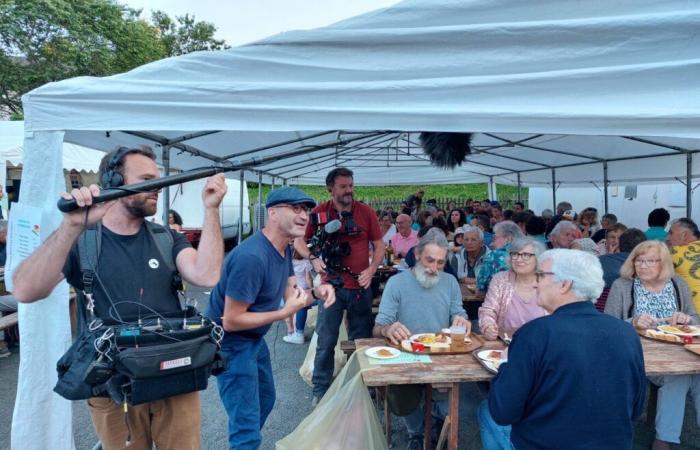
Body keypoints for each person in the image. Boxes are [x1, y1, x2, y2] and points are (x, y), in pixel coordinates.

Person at [12, 145, 228, 450]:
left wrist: (212, 209)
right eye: (147, 179)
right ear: (114, 183)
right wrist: (71, 226)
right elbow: (25, 290)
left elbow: (207, 275)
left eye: (159, 178)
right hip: (112, 387)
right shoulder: (81, 240)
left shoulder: (166, 237)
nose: (158, 187)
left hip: (174, 376)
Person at [479, 249, 646, 450]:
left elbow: (503, 411)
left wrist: (506, 363)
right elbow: (636, 408)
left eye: (540, 275)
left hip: (544, 444)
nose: (534, 282)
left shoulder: (534, 333)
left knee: (486, 411)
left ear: (565, 284)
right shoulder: (626, 333)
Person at [210, 186, 335, 449]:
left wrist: (316, 291)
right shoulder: (252, 257)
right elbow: (230, 320)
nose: (304, 216)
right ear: (273, 213)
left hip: (253, 341)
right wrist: (283, 313)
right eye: (296, 208)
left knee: (265, 400)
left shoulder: (284, 249)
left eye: (306, 210)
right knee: (246, 426)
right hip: (231, 345)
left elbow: (293, 294)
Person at [373, 229, 469, 450]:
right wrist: (388, 329)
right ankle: (416, 431)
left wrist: (462, 321)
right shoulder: (396, 283)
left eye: (441, 263)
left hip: (441, 354)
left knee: (448, 399)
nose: (434, 268)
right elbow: (378, 327)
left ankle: (436, 420)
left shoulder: (450, 282)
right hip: (406, 354)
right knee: (400, 398)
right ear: (416, 254)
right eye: (429, 260)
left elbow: (458, 313)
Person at [294, 167, 383, 404]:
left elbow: (379, 244)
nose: (349, 191)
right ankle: (320, 390)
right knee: (326, 340)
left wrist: (372, 269)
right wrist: (312, 258)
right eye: (343, 186)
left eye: (351, 185)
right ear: (331, 189)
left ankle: (362, 386)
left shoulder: (365, 212)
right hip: (330, 288)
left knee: (361, 341)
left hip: (360, 287)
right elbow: (298, 239)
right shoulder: (320, 213)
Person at [604, 240, 699, 450]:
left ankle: (665, 437)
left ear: (663, 263)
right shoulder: (623, 285)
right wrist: (632, 322)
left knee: (695, 374)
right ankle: (665, 438)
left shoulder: (677, 283)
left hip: (678, 352)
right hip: (639, 355)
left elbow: (694, 317)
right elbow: (607, 325)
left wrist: (687, 319)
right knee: (680, 375)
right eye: (639, 260)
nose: (643, 265)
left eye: (651, 261)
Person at [479, 237, 547, 341]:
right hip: (506, 344)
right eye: (515, 254)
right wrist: (488, 326)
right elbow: (488, 310)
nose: (519, 259)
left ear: (538, 258)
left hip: (541, 344)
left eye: (526, 255)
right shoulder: (501, 279)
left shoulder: (547, 282)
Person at [595, 228, 646, 312]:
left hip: (598, 311)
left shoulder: (598, 261)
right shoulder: (646, 267)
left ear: (620, 244)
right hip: (629, 315)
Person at [476, 221, 523, 294]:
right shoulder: (531, 253)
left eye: (495, 237)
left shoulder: (495, 256)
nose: (493, 241)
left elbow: (480, 289)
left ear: (508, 238)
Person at [283, 249, 316, 344]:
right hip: (304, 289)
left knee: (292, 311)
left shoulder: (290, 263)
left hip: (293, 290)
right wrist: (313, 289)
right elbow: (308, 279)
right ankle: (297, 333)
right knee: (302, 307)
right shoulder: (306, 263)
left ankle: (293, 332)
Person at [667, 218, 700, 313]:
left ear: (684, 235)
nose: (668, 238)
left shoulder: (675, 252)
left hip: (694, 318)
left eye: (671, 233)